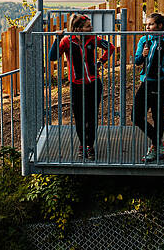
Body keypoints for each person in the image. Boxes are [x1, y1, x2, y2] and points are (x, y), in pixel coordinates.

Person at [48, 13, 116, 159]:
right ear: (78, 29)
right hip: (77, 85)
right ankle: (82, 144)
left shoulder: (93, 38)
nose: (91, 27)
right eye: (88, 26)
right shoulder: (67, 41)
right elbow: (52, 57)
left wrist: (101, 62)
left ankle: (89, 146)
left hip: (93, 84)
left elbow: (110, 47)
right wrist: (57, 39)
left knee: (91, 117)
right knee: (79, 117)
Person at [133, 12, 164, 162]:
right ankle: (159, 142)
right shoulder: (143, 40)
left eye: (151, 24)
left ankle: (155, 148)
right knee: (136, 116)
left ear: (160, 26)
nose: (147, 27)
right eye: (146, 24)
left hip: (161, 84)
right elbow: (136, 61)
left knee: (157, 116)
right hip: (145, 83)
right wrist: (142, 55)